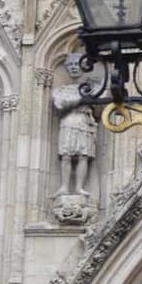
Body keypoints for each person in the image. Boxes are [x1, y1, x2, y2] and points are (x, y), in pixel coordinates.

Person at [52, 53, 96, 197]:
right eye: (70, 65)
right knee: (66, 155)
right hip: (69, 121)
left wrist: (82, 98)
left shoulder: (91, 88)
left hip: (84, 121)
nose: (73, 68)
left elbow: (101, 99)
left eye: (76, 64)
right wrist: (82, 99)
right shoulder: (61, 90)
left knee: (83, 155)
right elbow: (60, 104)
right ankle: (64, 187)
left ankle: (79, 187)